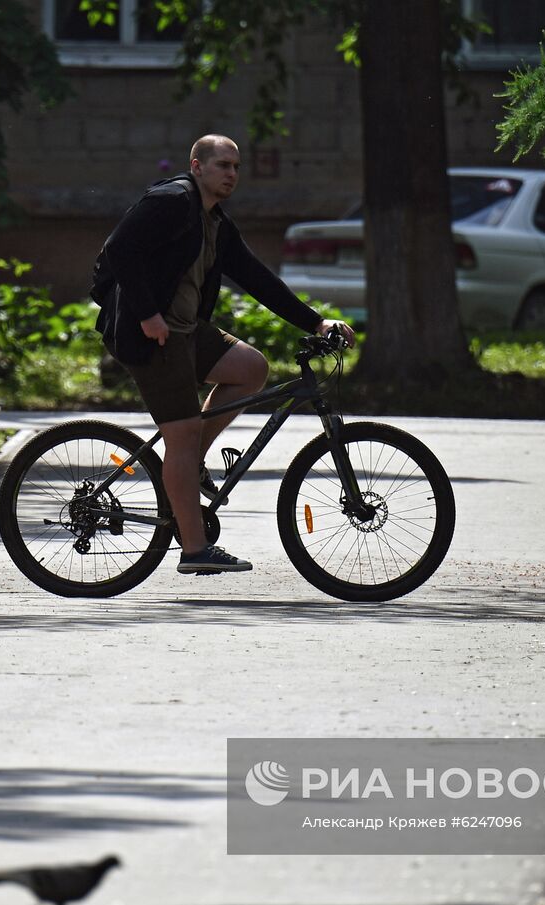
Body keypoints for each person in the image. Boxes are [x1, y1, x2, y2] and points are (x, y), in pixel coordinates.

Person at [94, 134, 355, 575]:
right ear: (197, 166)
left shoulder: (215, 221)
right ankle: (194, 550)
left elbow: (256, 278)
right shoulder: (172, 200)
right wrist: (147, 314)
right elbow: (119, 250)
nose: (231, 174)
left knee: (250, 367)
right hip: (152, 336)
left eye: (236, 167)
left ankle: (191, 462)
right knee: (181, 432)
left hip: (186, 331)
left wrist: (317, 323)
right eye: (222, 165)